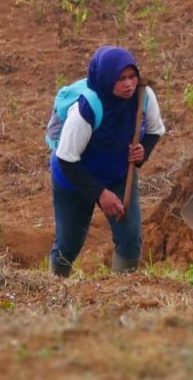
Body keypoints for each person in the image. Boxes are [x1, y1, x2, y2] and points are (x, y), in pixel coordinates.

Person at [49, 46, 165, 277]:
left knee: (130, 239)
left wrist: (143, 152)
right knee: (68, 245)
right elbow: (66, 159)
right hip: (74, 179)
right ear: (106, 79)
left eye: (132, 76)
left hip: (117, 175)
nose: (129, 84)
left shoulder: (143, 96)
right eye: (120, 79)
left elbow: (155, 130)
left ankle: (121, 293)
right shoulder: (86, 109)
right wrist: (100, 194)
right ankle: (54, 290)